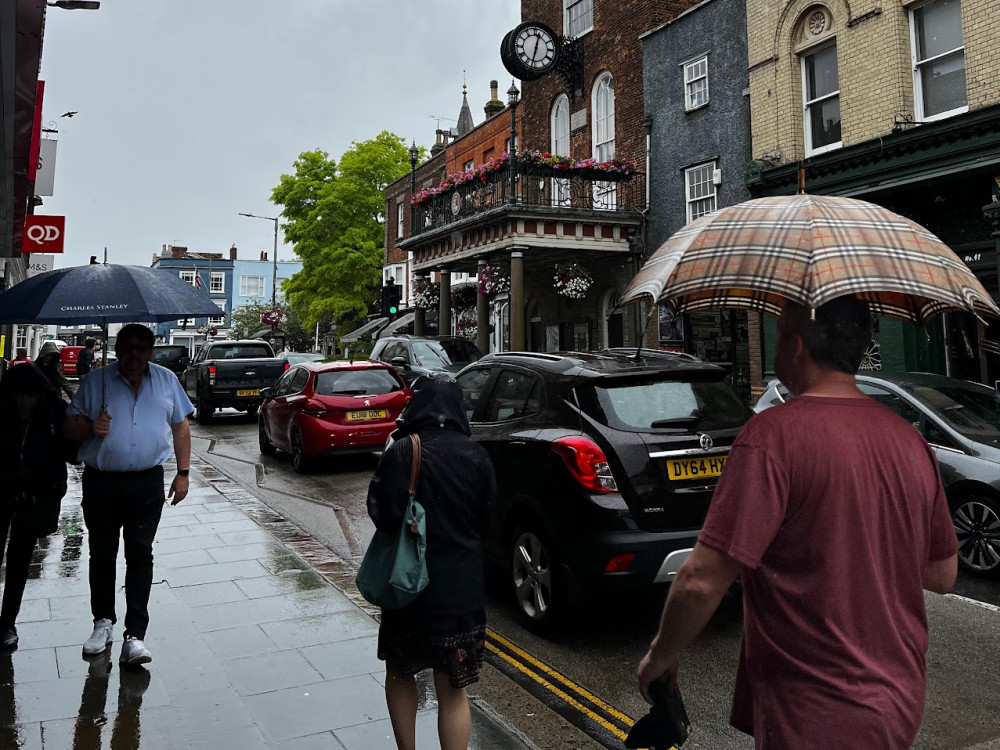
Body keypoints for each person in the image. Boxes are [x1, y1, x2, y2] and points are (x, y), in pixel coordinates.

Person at [637, 295, 958, 750]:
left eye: (783, 331)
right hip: (898, 697)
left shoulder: (771, 436)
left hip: (816, 707)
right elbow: (942, 574)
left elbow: (701, 581)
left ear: (798, 345)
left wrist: (658, 658)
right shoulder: (909, 441)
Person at [367, 377, 496, 750]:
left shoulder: (405, 451)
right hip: (461, 592)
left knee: (401, 672)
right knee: (453, 690)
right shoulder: (478, 456)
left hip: (409, 588)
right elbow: (488, 520)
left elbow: (382, 513)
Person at [65, 323, 194, 668]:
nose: (134, 355)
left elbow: (181, 426)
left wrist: (183, 474)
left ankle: (134, 635)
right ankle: (102, 622)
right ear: (117, 350)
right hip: (102, 481)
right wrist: (92, 426)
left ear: (150, 351)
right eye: (127, 348)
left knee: (140, 554)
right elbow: (69, 425)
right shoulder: (97, 381)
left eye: (141, 348)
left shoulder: (167, 380)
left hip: (147, 482)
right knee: (102, 553)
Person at [0, 363, 69, 651]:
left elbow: (70, 457)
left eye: (30, 395)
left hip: (34, 496)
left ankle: (7, 622)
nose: (24, 402)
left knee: (19, 559)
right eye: (19, 395)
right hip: (3, 489)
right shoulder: (3, 414)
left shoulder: (52, 414)